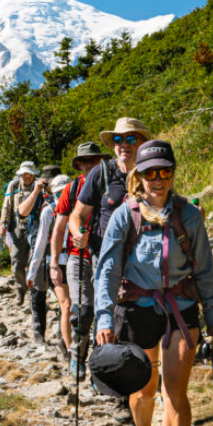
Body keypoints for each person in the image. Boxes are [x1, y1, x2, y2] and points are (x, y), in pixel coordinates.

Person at [94, 140, 213, 426]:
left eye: (165, 171)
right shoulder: (126, 216)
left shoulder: (189, 216)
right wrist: (104, 316)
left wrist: (212, 316)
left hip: (180, 309)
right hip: (138, 310)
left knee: (175, 392)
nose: (158, 178)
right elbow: (107, 270)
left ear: (173, 172)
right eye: (150, 172)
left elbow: (204, 271)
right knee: (145, 389)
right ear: (140, 176)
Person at [67, 119, 151, 378]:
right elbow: (76, 215)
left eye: (130, 139)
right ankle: (102, 369)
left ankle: (136, 374)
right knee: (104, 313)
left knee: (129, 318)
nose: (124, 145)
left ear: (141, 142)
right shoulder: (101, 173)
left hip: (143, 260)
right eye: (118, 140)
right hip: (104, 258)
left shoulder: (152, 172)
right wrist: (77, 233)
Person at [51, 142, 108, 369]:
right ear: (79, 165)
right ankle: (77, 356)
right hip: (78, 256)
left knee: (105, 311)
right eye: (85, 161)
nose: (89, 164)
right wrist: (54, 263)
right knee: (84, 310)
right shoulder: (72, 189)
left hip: (105, 256)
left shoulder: (112, 187)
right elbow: (58, 228)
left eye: (93, 160)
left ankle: (100, 364)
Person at [27, 174, 71, 345]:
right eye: (58, 192)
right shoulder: (48, 211)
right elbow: (40, 244)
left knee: (71, 306)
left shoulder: (80, 209)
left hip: (74, 261)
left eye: (65, 192)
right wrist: (32, 272)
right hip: (56, 262)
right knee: (65, 304)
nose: (61, 196)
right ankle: (66, 347)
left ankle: (66, 341)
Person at [0, 161, 41, 305]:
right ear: (20, 174)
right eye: (24, 174)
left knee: (35, 260)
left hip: (36, 226)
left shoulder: (39, 186)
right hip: (17, 227)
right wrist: (4, 222)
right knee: (16, 260)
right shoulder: (14, 185)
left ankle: (36, 291)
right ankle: (20, 290)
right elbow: (7, 206)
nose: (27, 176)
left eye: (29, 174)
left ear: (34, 174)